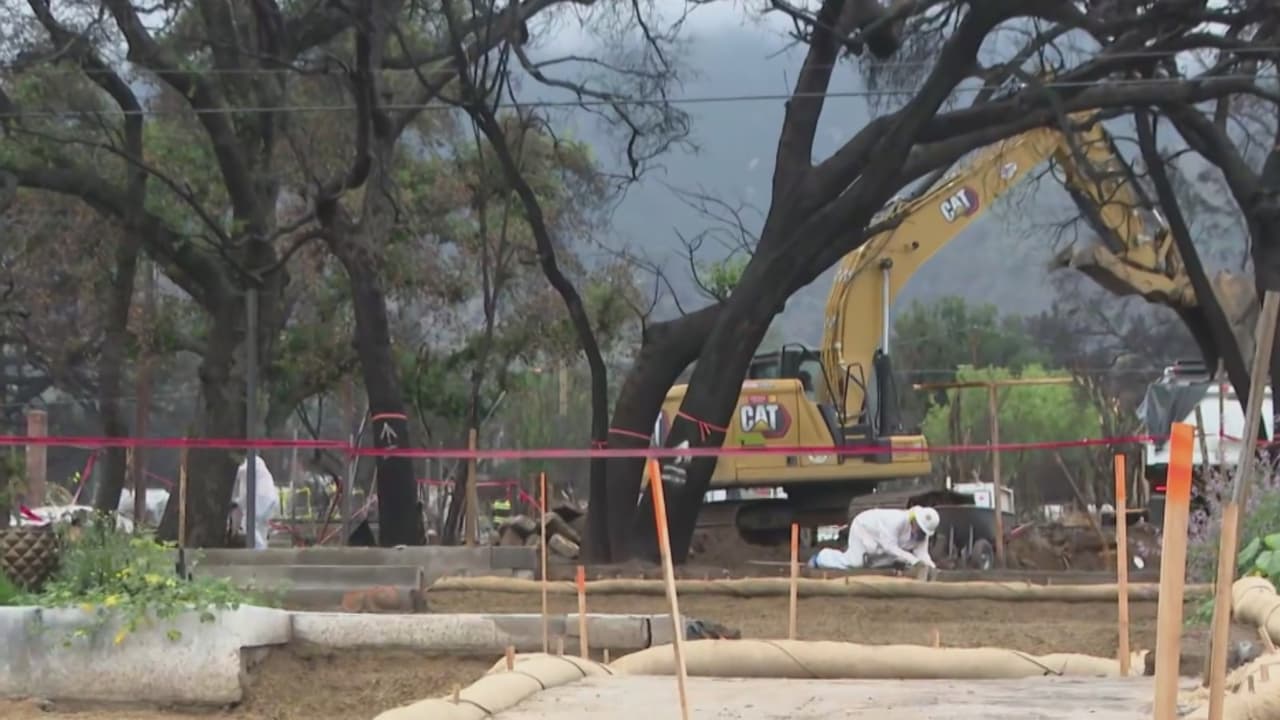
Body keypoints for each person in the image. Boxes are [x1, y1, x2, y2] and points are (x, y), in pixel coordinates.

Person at [808, 505, 940, 571]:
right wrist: (913, 560)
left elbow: (923, 554)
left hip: (883, 542)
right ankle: (821, 558)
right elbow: (890, 547)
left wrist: (932, 568)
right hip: (864, 528)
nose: (921, 533)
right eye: (920, 529)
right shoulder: (896, 521)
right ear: (914, 521)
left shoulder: (923, 534)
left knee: (884, 562)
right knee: (855, 563)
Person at [231, 454, 279, 550]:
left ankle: (259, 554)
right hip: (270, 500)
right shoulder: (256, 462)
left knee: (248, 525)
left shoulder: (249, 463)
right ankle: (262, 552)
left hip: (261, 499)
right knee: (260, 530)